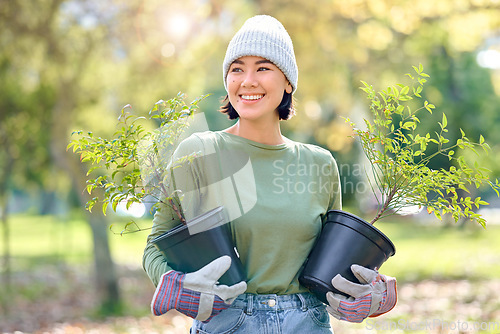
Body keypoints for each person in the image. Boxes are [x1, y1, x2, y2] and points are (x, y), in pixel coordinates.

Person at [142, 15, 397, 333]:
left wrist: (369, 295)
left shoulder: (321, 164)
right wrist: (177, 287)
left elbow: (333, 266)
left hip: (307, 322)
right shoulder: (198, 153)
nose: (247, 80)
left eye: (263, 68)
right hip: (227, 323)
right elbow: (156, 245)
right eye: (237, 69)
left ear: (288, 82)